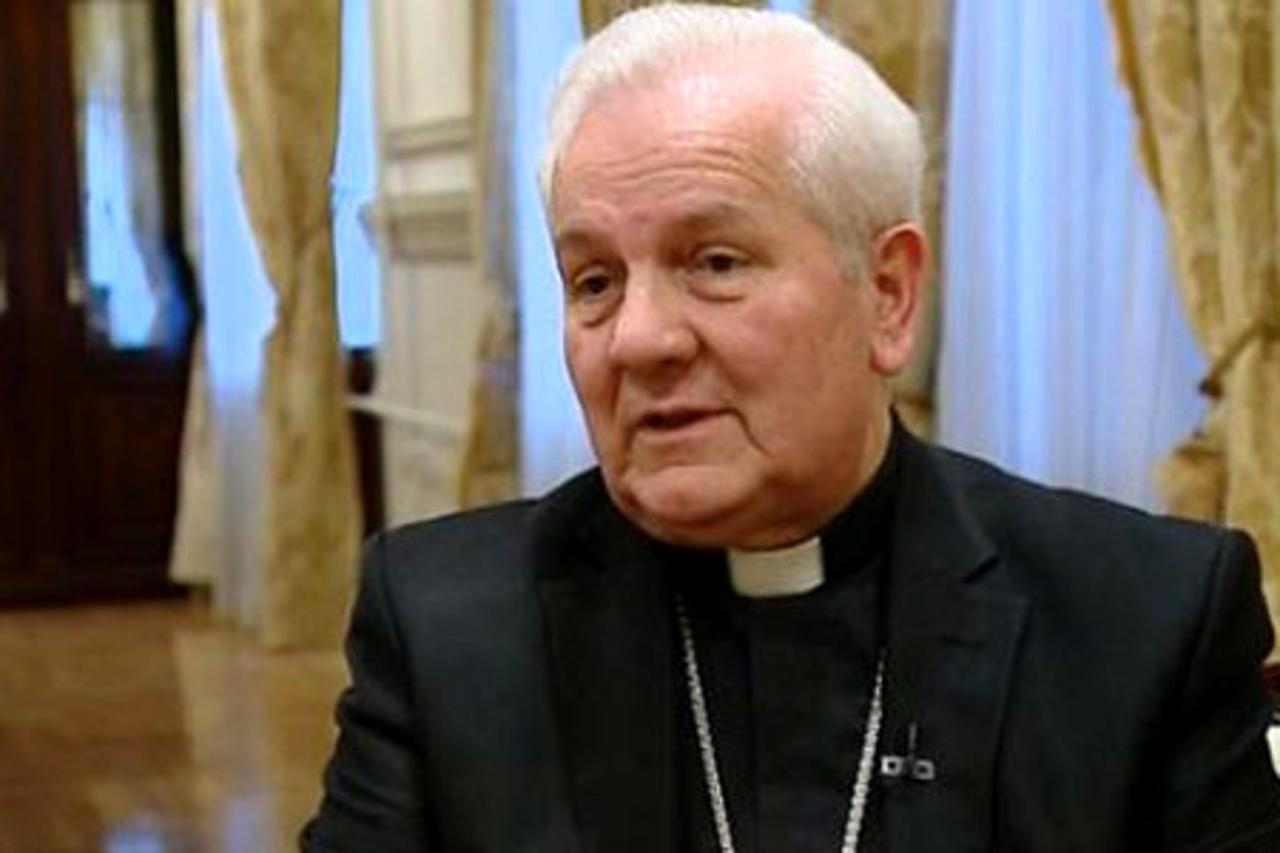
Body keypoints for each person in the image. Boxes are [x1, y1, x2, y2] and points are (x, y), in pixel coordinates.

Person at [301, 6, 1280, 852]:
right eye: (593, 280)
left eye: (714, 261)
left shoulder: (1148, 623)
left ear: (888, 296)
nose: (636, 338)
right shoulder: (439, 626)